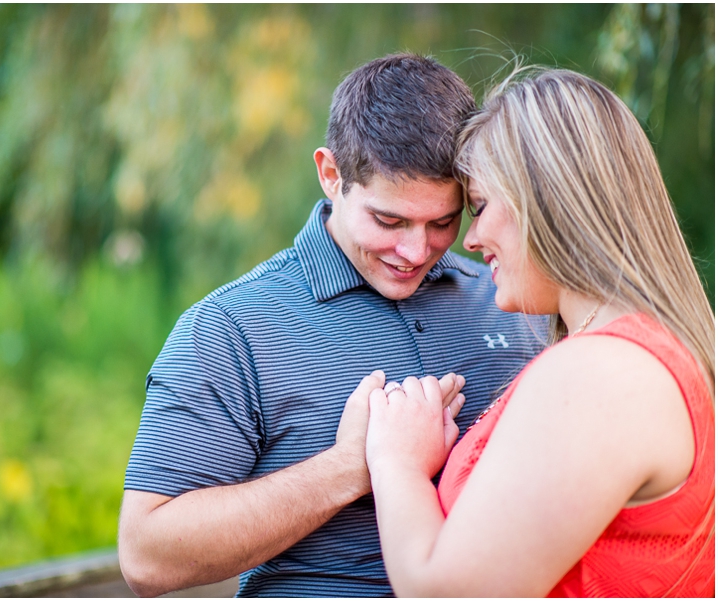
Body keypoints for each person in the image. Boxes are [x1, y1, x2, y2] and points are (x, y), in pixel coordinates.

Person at [118, 53, 546, 597]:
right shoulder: (230, 328)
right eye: (388, 221)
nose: (416, 251)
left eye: (444, 221)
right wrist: (348, 468)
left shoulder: (512, 298)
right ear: (330, 173)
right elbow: (146, 555)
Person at [355, 67, 715, 597]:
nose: (471, 239)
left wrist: (396, 462)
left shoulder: (601, 374)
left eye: (479, 207)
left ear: (546, 198)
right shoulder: (638, 354)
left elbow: (450, 593)